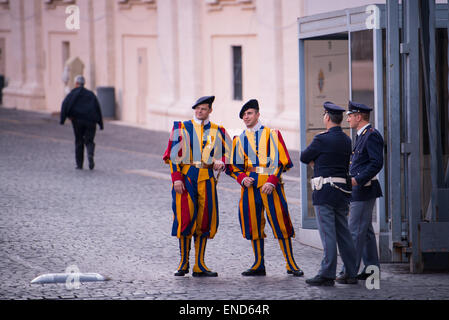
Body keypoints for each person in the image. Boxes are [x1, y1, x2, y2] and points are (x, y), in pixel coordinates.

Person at [226, 99, 304, 277]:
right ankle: (258, 263)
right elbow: (233, 167)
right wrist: (242, 178)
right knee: (253, 223)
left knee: (280, 222)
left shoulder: (272, 134)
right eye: (244, 115)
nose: (246, 117)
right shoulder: (240, 139)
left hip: (270, 185)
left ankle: (290, 263)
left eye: (250, 113)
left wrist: (272, 181)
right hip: (250, 187)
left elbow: (280, 161)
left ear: (258, 114)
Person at [163, 96, 229, 277]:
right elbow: (172, 155)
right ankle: (183, 263)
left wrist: (220, 161)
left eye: (203, 109)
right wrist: (176, 178)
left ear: (210, 111)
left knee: (204, 220)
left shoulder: (218, 130)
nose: (200, 112)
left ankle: (199, 265)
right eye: (197, 109)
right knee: (185, 219)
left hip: (207, 179)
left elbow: (230, 153)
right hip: (186, 178)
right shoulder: (181, 128)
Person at [300, 101, 358, 286]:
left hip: (324, 192)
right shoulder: (346, 139)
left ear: (326, 117)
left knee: (328, 235)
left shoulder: (321, 139)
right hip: (341, 193)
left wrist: (316, 162)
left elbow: (304, 157)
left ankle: (327, 274)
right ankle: (350, 272)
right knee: (343, 233)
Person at [336, 101, 383, 282]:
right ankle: (372, 270)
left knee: (354, 231)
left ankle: (349, 272)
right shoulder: (362, 135)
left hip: (364, 189)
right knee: (367, 233)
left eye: (350, 115)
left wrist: (358, 179)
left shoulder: (371, 135)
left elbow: (376, 162)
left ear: (359, 116)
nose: (347, 119)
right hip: (360, 190)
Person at [60, 75, 104, 170]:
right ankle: (90, 153)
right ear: (84, 84)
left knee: (79, 141)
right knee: (89, 140)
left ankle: (79, 164)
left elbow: (65, 105)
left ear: (76, 83)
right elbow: (97, 108)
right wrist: (100, 123)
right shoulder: (91, 94)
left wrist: (63, 119)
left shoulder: (72, 94)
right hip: (91, 121)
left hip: (77, 121)